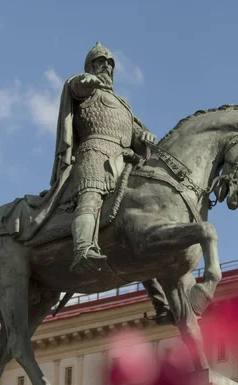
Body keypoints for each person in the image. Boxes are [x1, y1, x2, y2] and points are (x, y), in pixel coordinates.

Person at [50, 42, 156, 273]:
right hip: (94, 154)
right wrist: (85, 80)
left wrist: (144, 136)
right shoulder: (85, 90)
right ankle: (83, 250)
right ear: (90, 66)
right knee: (91, 197)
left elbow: (134, 134)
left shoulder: (123, 104)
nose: (106, 68)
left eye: (109, 65)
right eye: (100, 63)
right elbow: (75, 87)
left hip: (125, 160)